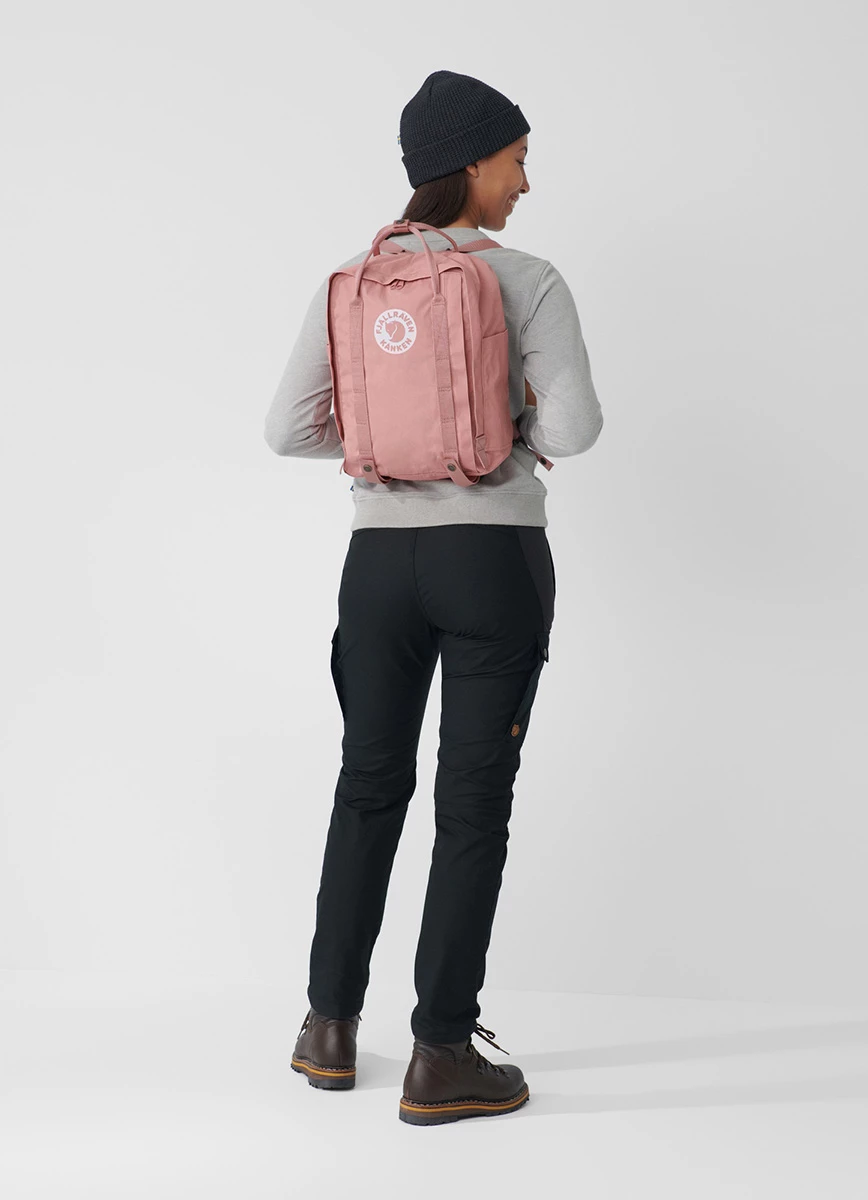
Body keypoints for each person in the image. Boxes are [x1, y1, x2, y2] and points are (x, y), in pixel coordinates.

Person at [264, 69, 603, 1125]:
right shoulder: (528, 279)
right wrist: (511, 419)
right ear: (472, 162)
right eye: (517, 160)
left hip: (376, 566)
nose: (525, 182)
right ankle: (442, 1053)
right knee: (472, 804)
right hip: (490, 559)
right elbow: (577, 430)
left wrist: (388, 440)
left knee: (368, 783)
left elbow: (289, 429)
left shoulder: (353, 280)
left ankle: (327, 1028)